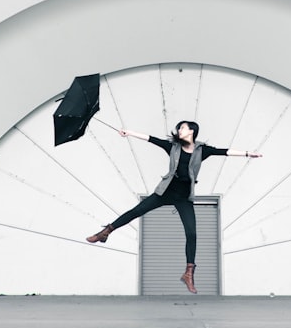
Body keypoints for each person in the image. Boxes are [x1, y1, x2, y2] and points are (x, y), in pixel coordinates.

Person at [85, 120, 263, 294]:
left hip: (184, 197)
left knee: (192, 233)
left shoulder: (202, 150)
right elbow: (151, 139)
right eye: (179, 128)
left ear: (192, 131)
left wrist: (248, 153)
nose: (179, 130)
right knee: (136, 211)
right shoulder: (173, 147)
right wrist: (129, 133)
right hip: (166, 191)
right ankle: (105, 232)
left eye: (183, 128)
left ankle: (188, 274)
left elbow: (224, 151)